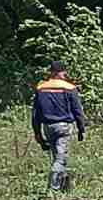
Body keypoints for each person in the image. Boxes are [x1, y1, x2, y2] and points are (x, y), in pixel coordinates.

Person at [31, 62, 85, 192]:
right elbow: (78, 111)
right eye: (63, 72)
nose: (65, 74)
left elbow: (35, 114)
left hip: (47, 127)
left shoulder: (41, 88)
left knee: (57, 156)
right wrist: (81, 129)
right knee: (61, 159)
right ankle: (53, 189)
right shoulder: (69, 88)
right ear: (58, 72)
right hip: (64, 127)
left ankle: (64, 187)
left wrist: (37, 133)